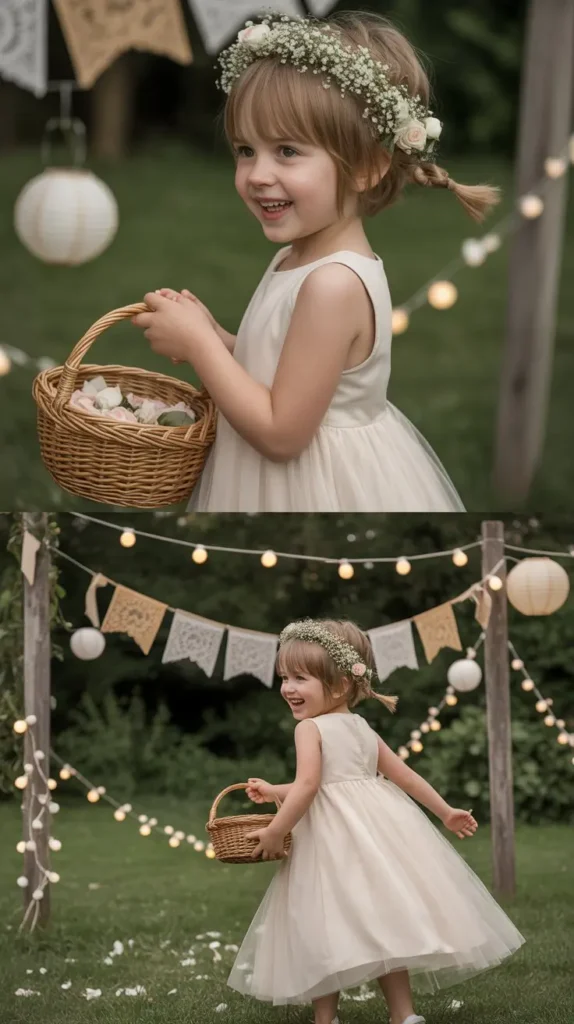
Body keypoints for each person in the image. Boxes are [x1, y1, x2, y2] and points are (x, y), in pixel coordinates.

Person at [132, 11, 500, 511]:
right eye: (245, 149)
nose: (257, 174)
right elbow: (290, 368)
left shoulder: (333, 284)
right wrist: (220, 340)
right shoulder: (298, 255)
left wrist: (200, 348)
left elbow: (282, 434)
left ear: (366, 167)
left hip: (312, 487)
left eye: (286, 151)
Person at [226, 618, 525, 1024]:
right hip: (374, 836)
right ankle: (403, 1014)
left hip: (329, 843)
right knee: (386, 923)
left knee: (320, 923)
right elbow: (396, 776)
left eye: (300, 678)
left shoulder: (309, 729)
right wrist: (444, 811)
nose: (288, 688)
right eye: (284, 678)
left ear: (340, 685)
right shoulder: (361, 726)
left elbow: (311, 785)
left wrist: (277, 829)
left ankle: (326, 1019)